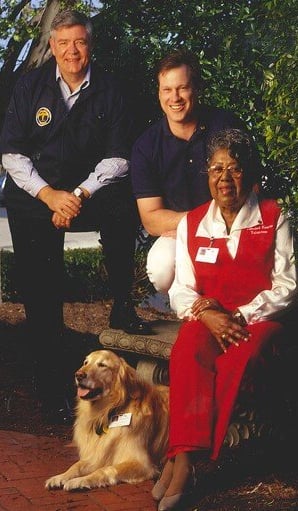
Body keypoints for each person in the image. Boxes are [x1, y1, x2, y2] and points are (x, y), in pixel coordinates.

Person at [0, 10, 151, 423]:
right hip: (37, 194)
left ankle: (122, 305)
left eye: (79, 42)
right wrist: (50, 196)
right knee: (41, 289)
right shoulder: (29, 86)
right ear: (52, 46)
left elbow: (119, 156)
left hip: (89, 190)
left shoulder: (112, 89)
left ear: (90, 44)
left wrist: (80, 194)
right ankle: (50, 390)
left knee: (123, 202)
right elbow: (11, 154)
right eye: (63, 42)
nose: (71, 51)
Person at [151, 128, 297, 511]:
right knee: (187, 352)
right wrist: (208, 314)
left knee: (237, 361)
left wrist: (240, 314)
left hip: (258, 320)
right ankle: (185, 460)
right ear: (207, 175)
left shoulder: (272, 216)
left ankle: (183, 462)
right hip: (209, 317)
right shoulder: (192, 223)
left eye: (234, 168)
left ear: (248, 173)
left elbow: (288, 284)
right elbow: (181, 288)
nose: (224, 178)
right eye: (216, 169)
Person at [131, 49, 254, 294]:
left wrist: (210, 224)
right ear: (159, 93)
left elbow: (252, 193)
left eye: (182, 88)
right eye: (167, 89)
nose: (174, 97)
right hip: (181, 235)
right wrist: (200, 222)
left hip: (233, 228)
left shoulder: (227, 125)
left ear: (195, 88)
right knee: (161, 267)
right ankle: (192, 309)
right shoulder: (146, 146)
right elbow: (152, 219)